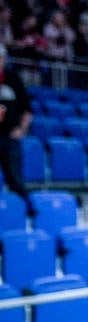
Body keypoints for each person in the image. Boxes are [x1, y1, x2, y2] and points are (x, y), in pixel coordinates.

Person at [0, 46, 33, 207]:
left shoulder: (14, 79)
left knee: (15, 178)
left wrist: (21, 129)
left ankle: (25, 210)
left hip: (10, 138)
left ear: (4, 59)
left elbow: (26, 110)